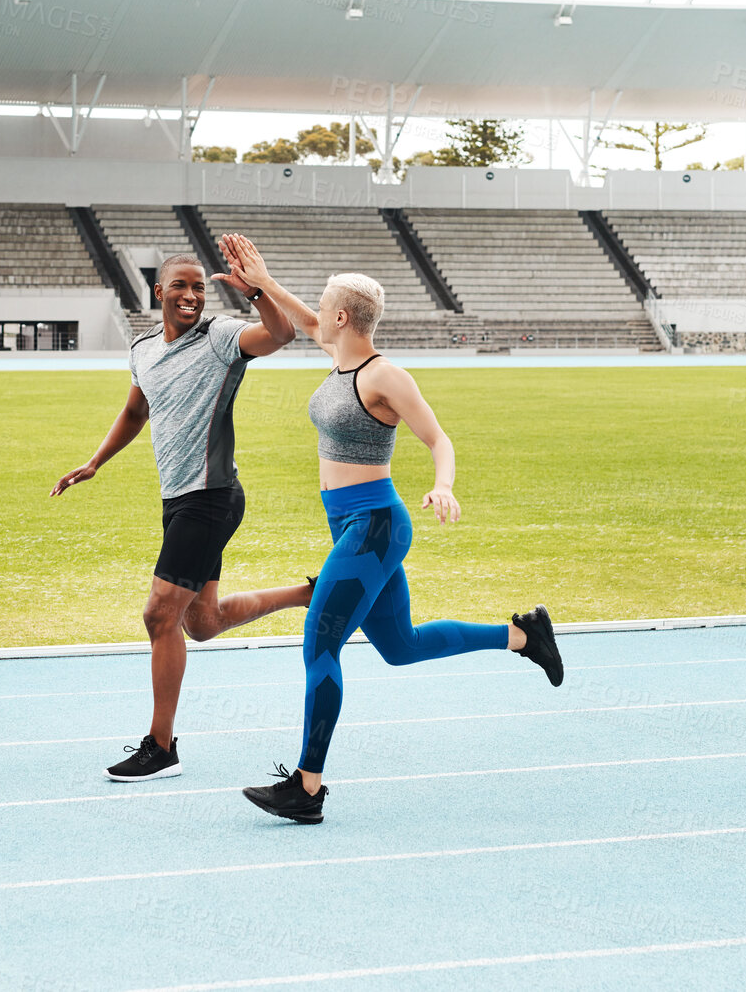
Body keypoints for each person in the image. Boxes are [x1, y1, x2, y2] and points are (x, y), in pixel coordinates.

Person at [211, 233, 565, 824]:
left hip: (375, 525)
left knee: (320, 645)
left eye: (325, 307)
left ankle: (308, 786)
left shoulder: (384, 377)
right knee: (399, 647)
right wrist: (264, 282)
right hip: (351, 524)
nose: (317, 314)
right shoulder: (340, 355)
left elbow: (438, 438)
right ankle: (525, 636)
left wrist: (443, 484)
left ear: (344, 316)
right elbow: (306, 322)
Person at [51, 252, 312, 782]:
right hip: (179, 499)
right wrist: (96, 461)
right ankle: (311, 592)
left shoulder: (221, 337)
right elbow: (134, 411)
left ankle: (161, 746)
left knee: (159, 616)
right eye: (180, 286)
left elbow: (281, 334)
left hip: (211, 496)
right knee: (202, 623)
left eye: (199, 287)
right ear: (158, 291)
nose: (191, 295)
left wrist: (257, 291)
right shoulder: (143, 348)